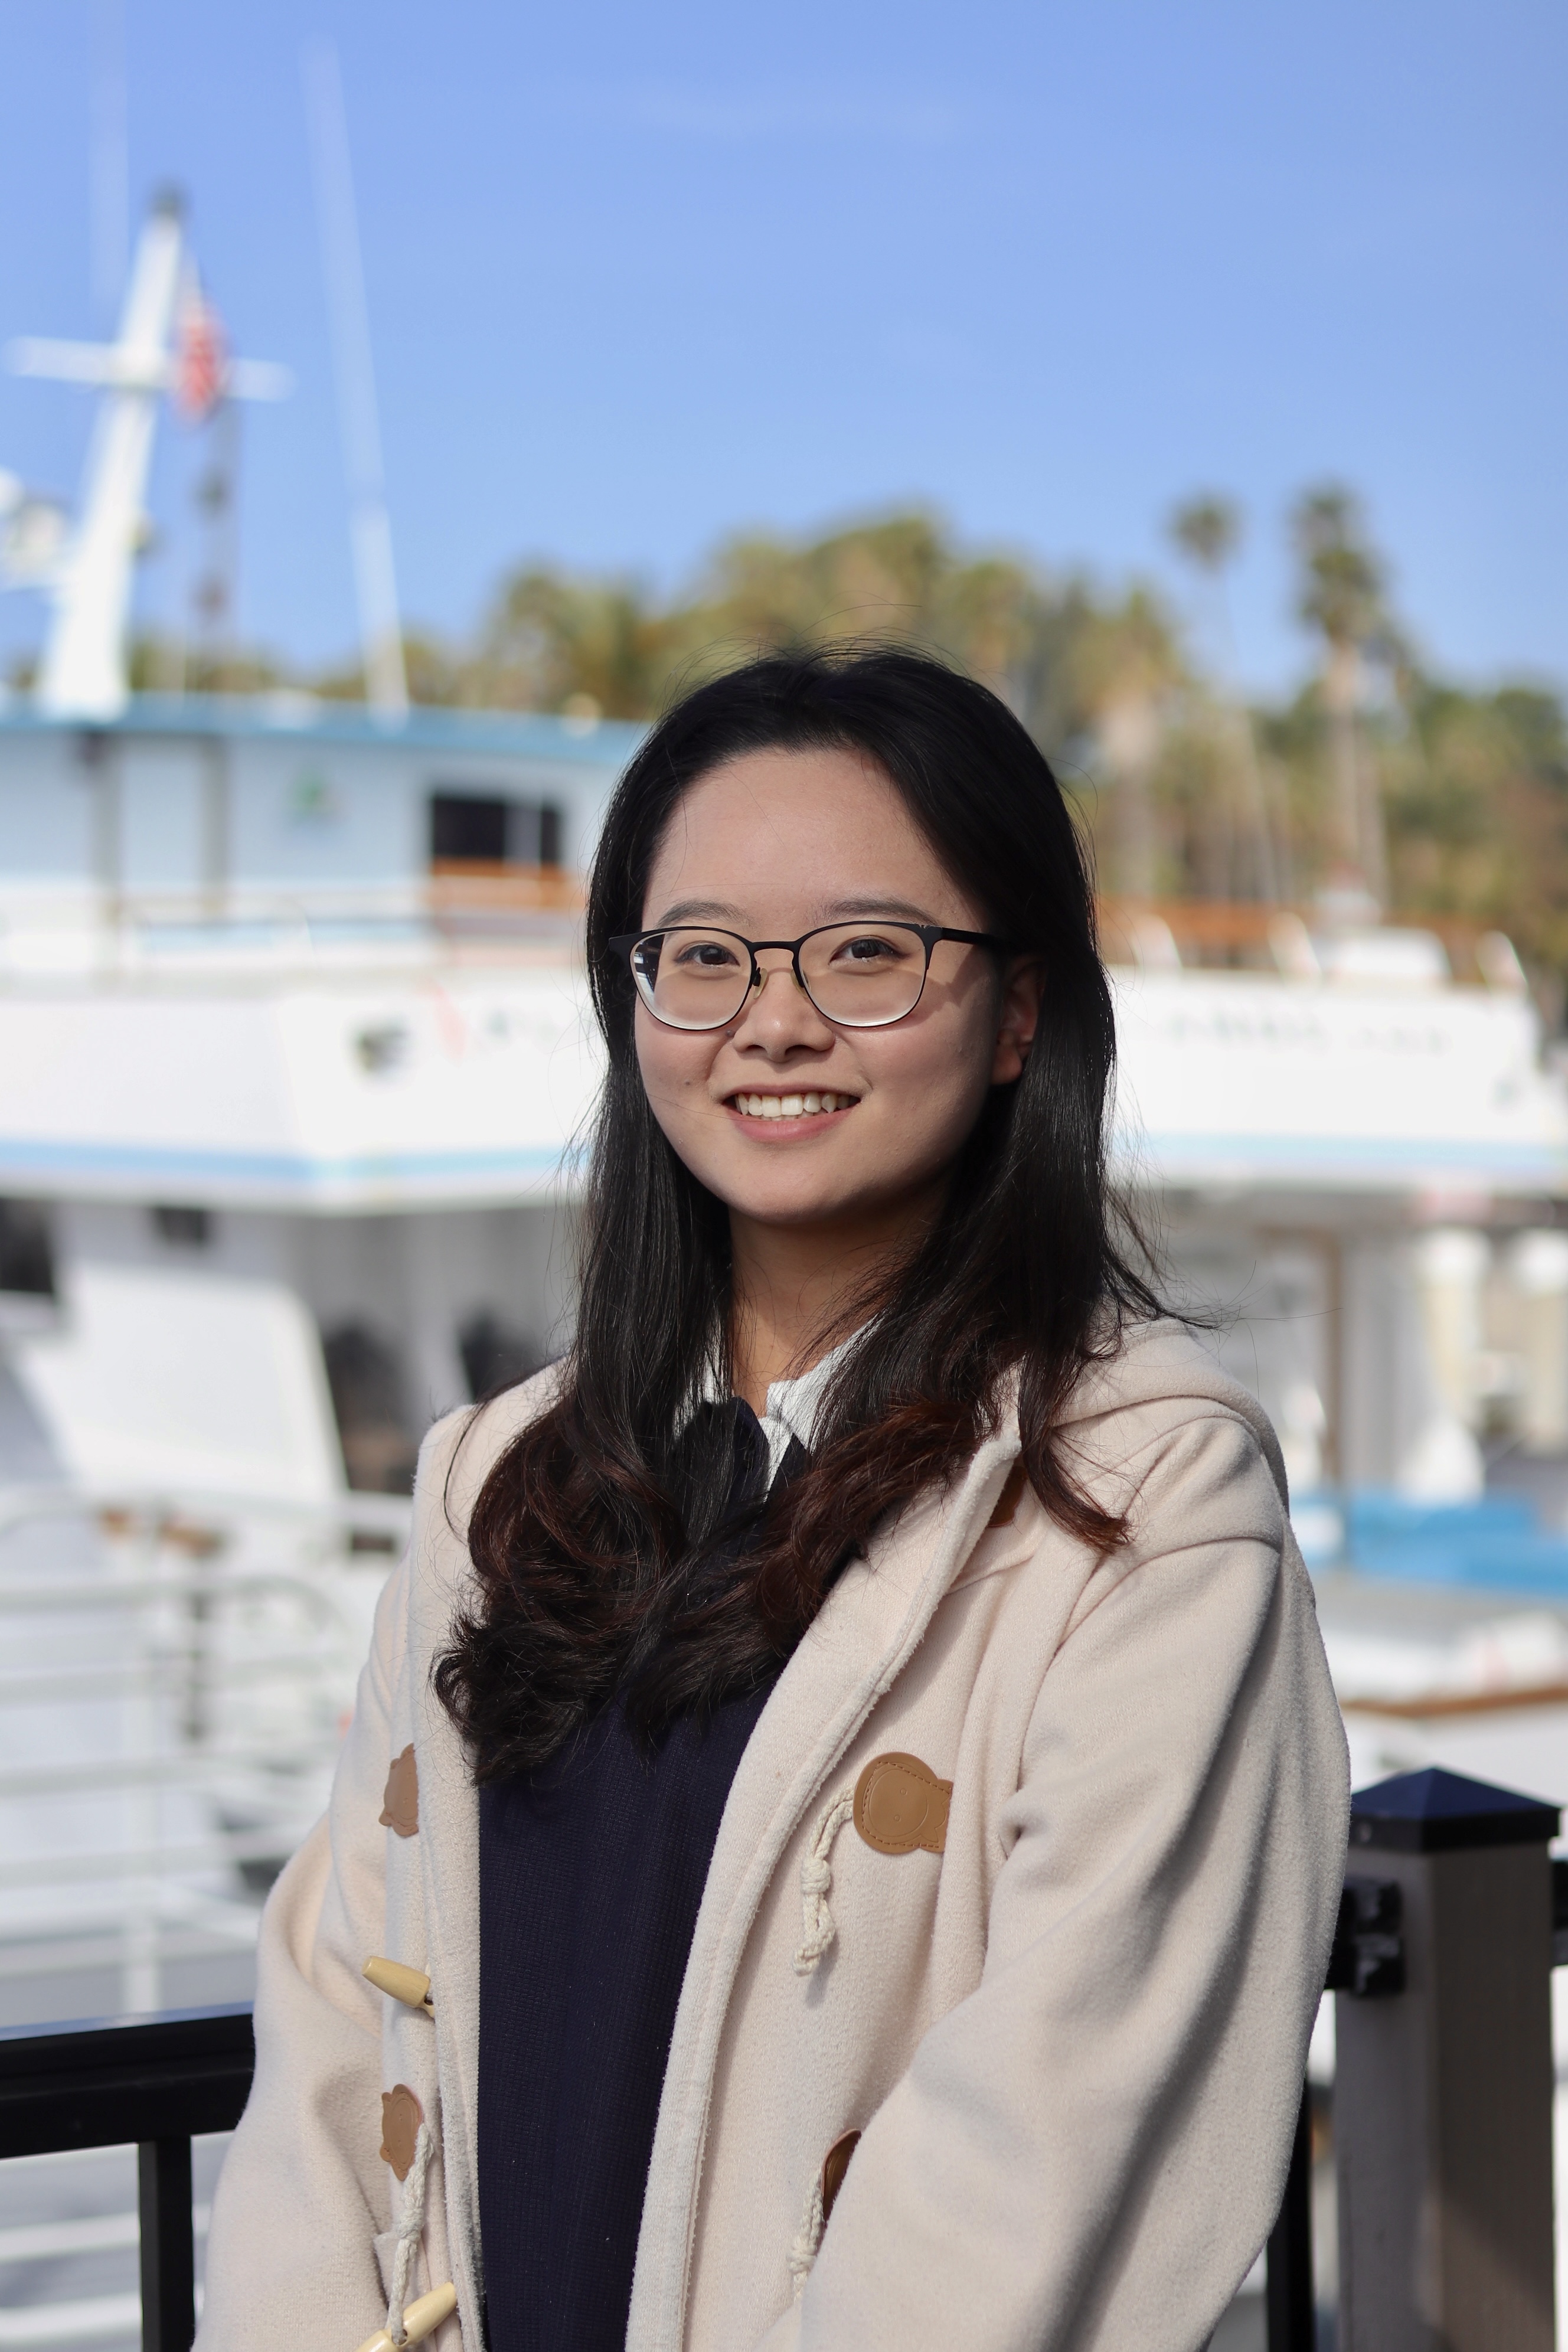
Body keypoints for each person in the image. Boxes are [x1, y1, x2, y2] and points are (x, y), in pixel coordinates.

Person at [197, 646, 1348, 2352]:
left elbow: (1038, 2151)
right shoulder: (498, 1487)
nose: (776, 1017)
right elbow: (329, 2032)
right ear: (633, 1000)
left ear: (1019, 1008)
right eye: (706, 958)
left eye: (871, 952)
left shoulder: (1138, 1499)